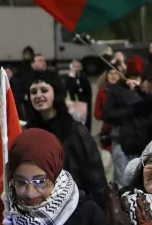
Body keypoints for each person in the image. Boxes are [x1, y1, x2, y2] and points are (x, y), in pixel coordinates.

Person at [25, 70, 108, 205]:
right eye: (33, 92)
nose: (38, 96)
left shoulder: (75, 131)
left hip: (75, 205)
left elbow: (95, 177)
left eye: (44, 90)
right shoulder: (28, 133)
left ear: (55, 93)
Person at [102, 57, 147, 187]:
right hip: (122, 144)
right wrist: (130, 111)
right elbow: (107, 114)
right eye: (133, 76)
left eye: (139, 76)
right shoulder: (116, 89)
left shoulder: (145, 89)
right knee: (124, 183)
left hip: (143, 143)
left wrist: (141, 91)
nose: (136, 79)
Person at [61, 59, 93, 131]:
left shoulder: (84, 78)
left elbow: (88, 92)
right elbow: (67, 89)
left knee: (84, 125)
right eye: (74, 66)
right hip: (72, 104)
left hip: (83, 104)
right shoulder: (68, 79)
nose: (76, 68)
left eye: (78, 66)